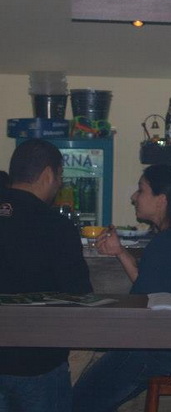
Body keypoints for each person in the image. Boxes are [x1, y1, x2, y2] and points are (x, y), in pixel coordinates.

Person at [72, 164, 171, 412]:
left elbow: (140, 303)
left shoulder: (167, 242)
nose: (133, 197)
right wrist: (121, 253)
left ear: (161, 200)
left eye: (141, 190)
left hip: (155, 350)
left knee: (80, 401)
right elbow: (150, 290)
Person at [0, 139, 92, 412]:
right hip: (37, 362)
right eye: (60, 177)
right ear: (48, 174)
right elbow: (78, 293)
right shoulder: (55, 224)